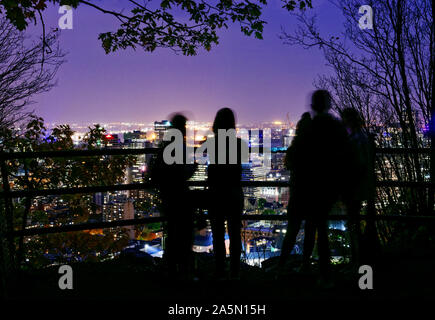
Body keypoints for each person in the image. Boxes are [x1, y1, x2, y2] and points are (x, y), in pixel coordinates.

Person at [150, 114, 196, 280]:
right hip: (180, 195)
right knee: (184, 234)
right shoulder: (179, 147)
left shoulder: (165, 146)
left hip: (168, 195)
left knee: (173, 233)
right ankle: (184, 271)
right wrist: (193, 169)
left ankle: (170, 269)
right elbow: (182, 173)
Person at [207, 108, 248, 280]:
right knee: (234, 233)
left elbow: (212, 170)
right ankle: (235, 271)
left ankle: (219, 269)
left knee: (217, 234)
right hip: (234, 192)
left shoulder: (212, 144)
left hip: (217, 193)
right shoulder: (239, 144)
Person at [278, 112, 313, 272]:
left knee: (292, 230)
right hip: (313, 192)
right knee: (311, 230)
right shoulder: (317, 146)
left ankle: (282, 265)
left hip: (298, 192)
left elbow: (287, 164)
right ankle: (305, 264)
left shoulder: (295, 146)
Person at [340, 107, 372, 267]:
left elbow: (358, 164)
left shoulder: (356, 139)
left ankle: (359, 266)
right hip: (359, 188)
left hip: (354, 189)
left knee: (353, 226)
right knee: (355, 224)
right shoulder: (361, 136)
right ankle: (360, 265)